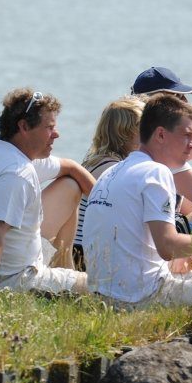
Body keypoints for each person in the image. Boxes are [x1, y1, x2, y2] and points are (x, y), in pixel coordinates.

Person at [83, 94, 192, 308]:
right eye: (187, 135)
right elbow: (168, 247)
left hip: (103, 294)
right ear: (161, 134)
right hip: (141, 298)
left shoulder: (115, 170)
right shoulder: (156, 172)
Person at [0, 88, 94, 293]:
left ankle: (64, 269)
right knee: (107, 287)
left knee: (70, 182)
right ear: (24, 126)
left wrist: (106, 205)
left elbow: (70, 167)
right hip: (14, 279)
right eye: (49, 127)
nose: (56, 134)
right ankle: (64, 280)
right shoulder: (16, 173)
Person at [131, 66, 192, 226]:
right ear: (161, 104)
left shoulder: (130, 142)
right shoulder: (164, 151)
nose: (187, 105)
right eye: (180, 98)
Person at [72, 97, 145, 269]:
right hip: (87, 255)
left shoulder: (96, 161)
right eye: (145, 128)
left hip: (81, 250)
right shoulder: (112, 169)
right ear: (127, 133)